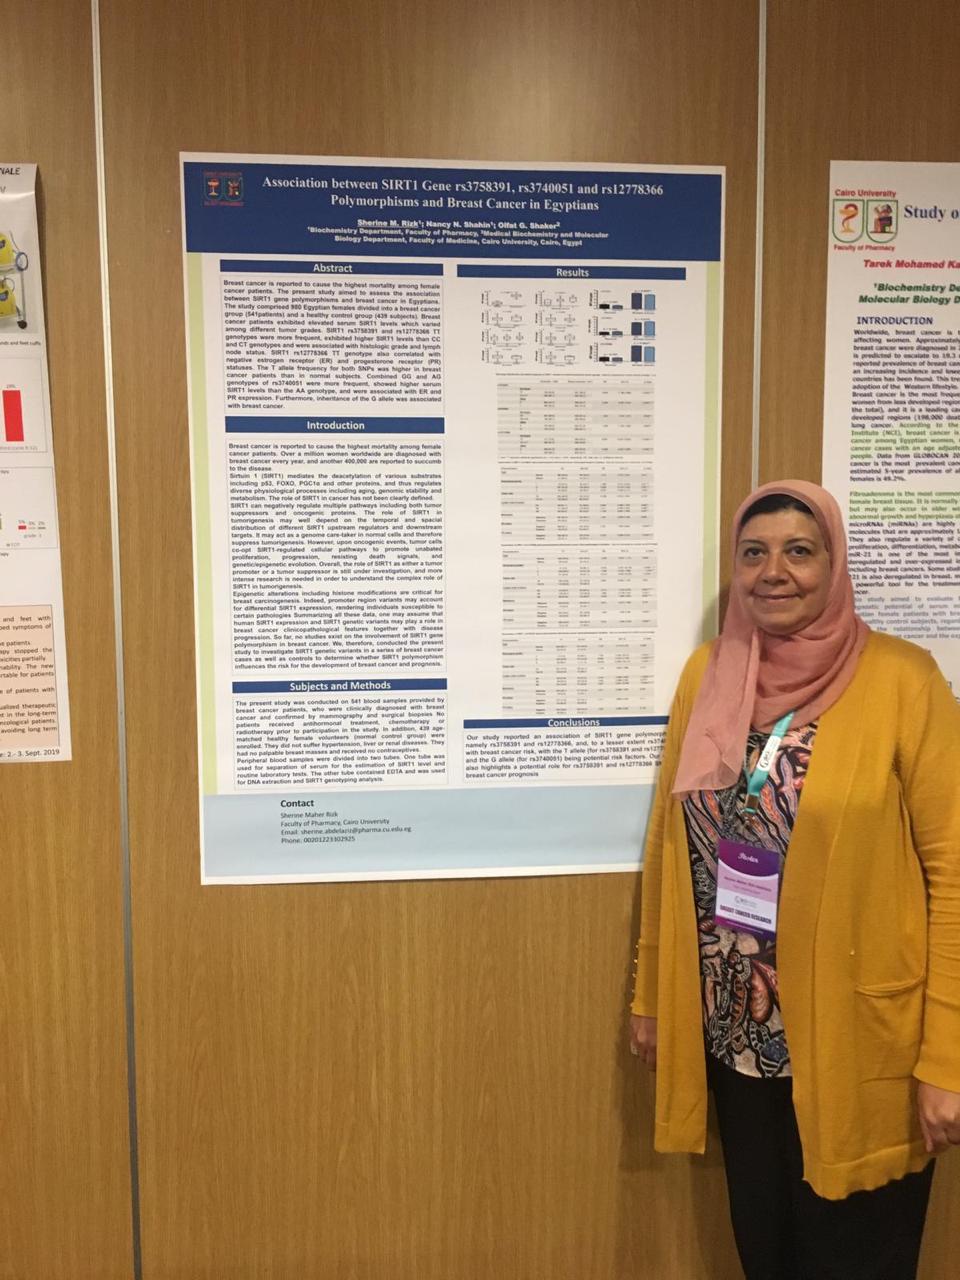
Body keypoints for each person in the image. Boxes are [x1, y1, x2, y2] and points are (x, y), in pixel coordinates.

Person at [628, 479, 960, 1280]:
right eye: (754, 553)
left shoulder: (904, 681)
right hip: (738, 1039)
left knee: (856, 1256)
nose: (773, 572)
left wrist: (948, 1058)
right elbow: (670, 849)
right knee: (766, 1253)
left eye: (799, 551)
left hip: (858, 1041)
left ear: (833, 563)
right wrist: (651, 996)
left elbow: (954, 874)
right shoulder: (709, 674)